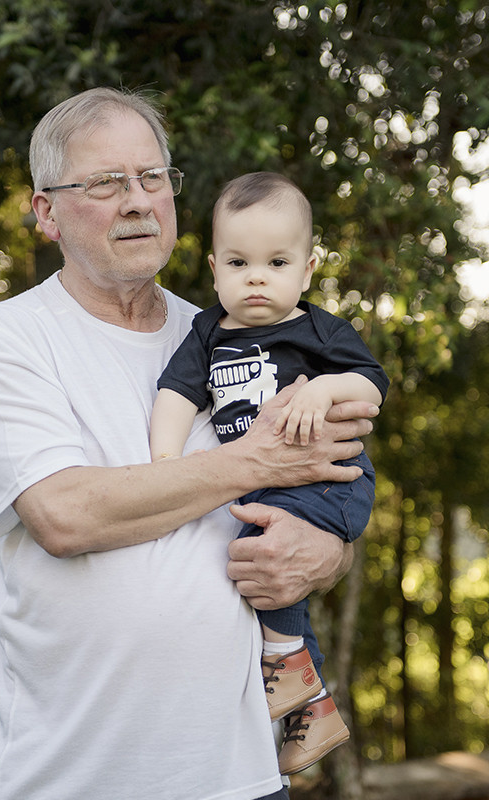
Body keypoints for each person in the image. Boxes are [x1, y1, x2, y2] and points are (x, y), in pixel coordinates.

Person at [0, 87, 378, 800]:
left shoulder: (236, 332)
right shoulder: (7, 339)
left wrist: (327, 553)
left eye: (153, 178)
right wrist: (254, 461)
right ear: (46, 212)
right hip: (72, 778)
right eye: (105, 183)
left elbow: (326, 479)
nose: (137, 200)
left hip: (238, 776)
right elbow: (65, 516)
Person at [150, 172, 388, 774]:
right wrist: (164, 463)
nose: (257, 277)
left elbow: (372, 385)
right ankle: (315, 711)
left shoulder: (317, 329)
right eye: (239, 262)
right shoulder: (206, 332)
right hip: (270, 488)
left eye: (277, 262)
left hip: (330, 481)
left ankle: (283, 664)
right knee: (262, 553)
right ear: (213, 269)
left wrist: (326, 388)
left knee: (261, 549)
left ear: (307, 271)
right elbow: (176, 394)